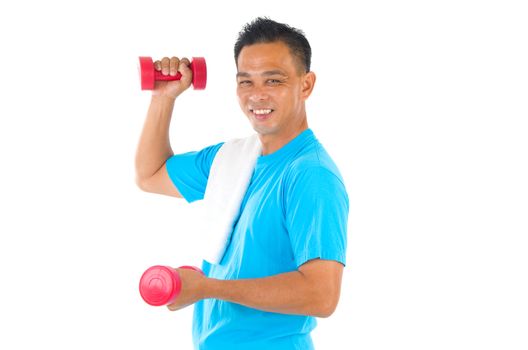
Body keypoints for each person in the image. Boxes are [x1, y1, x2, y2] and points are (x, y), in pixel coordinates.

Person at [135, 17, 349, 350]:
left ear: (305, 85)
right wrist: (164, 97)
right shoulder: (230, 160)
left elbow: (322, 296)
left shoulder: (311, 175)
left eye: (273, 80)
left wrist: (206, 288)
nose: (257, 95)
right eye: (245, 82)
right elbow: (150, 175)